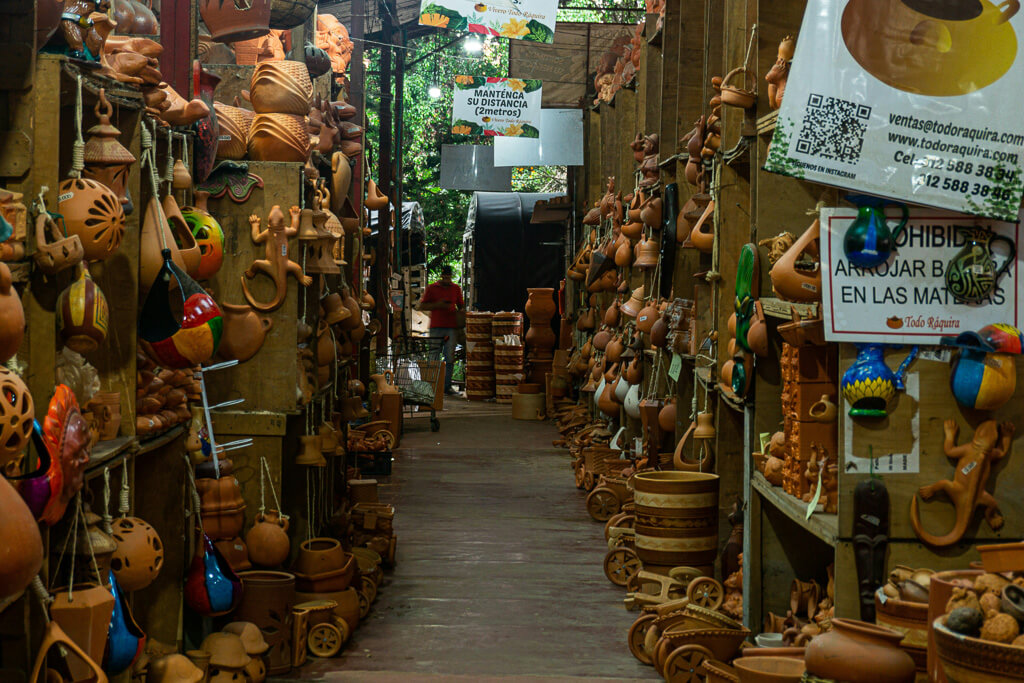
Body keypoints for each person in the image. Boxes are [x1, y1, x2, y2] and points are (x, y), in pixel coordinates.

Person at [417, 265, 463, 395]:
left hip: (451, 327)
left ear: (451, 276)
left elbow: (461, 306)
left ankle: (446, 387)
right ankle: (432, 386)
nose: (447, 279)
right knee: (433, 356)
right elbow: (422, 305)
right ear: (441, 276)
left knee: (449, 356)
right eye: (444, 277)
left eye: (449, 277)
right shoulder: (432, 288)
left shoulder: (456, 289)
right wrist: (438, 305)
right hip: (436, 326)